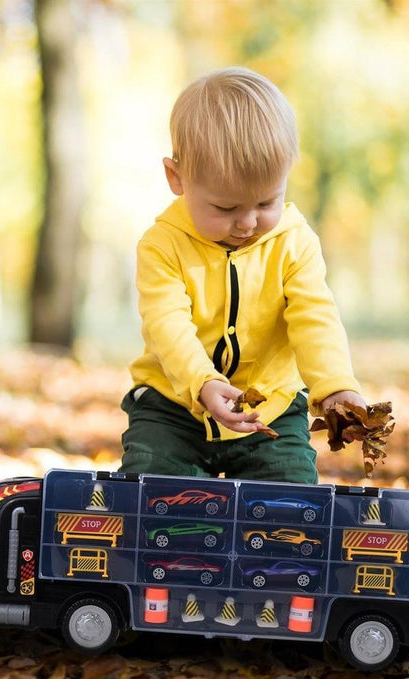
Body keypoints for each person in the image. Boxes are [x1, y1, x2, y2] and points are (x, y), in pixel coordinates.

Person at [119, 66, 365, 484]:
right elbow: (167, 325)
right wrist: (202, 384)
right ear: (176, 178)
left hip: (269, 407)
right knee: (150, 482)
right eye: (226, 208)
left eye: (267, 202)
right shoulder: (162, 246)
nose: (248, 222)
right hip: (175, 406)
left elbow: (314, 318)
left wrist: (335, 387)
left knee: (291, 490)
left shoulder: (294, 243)